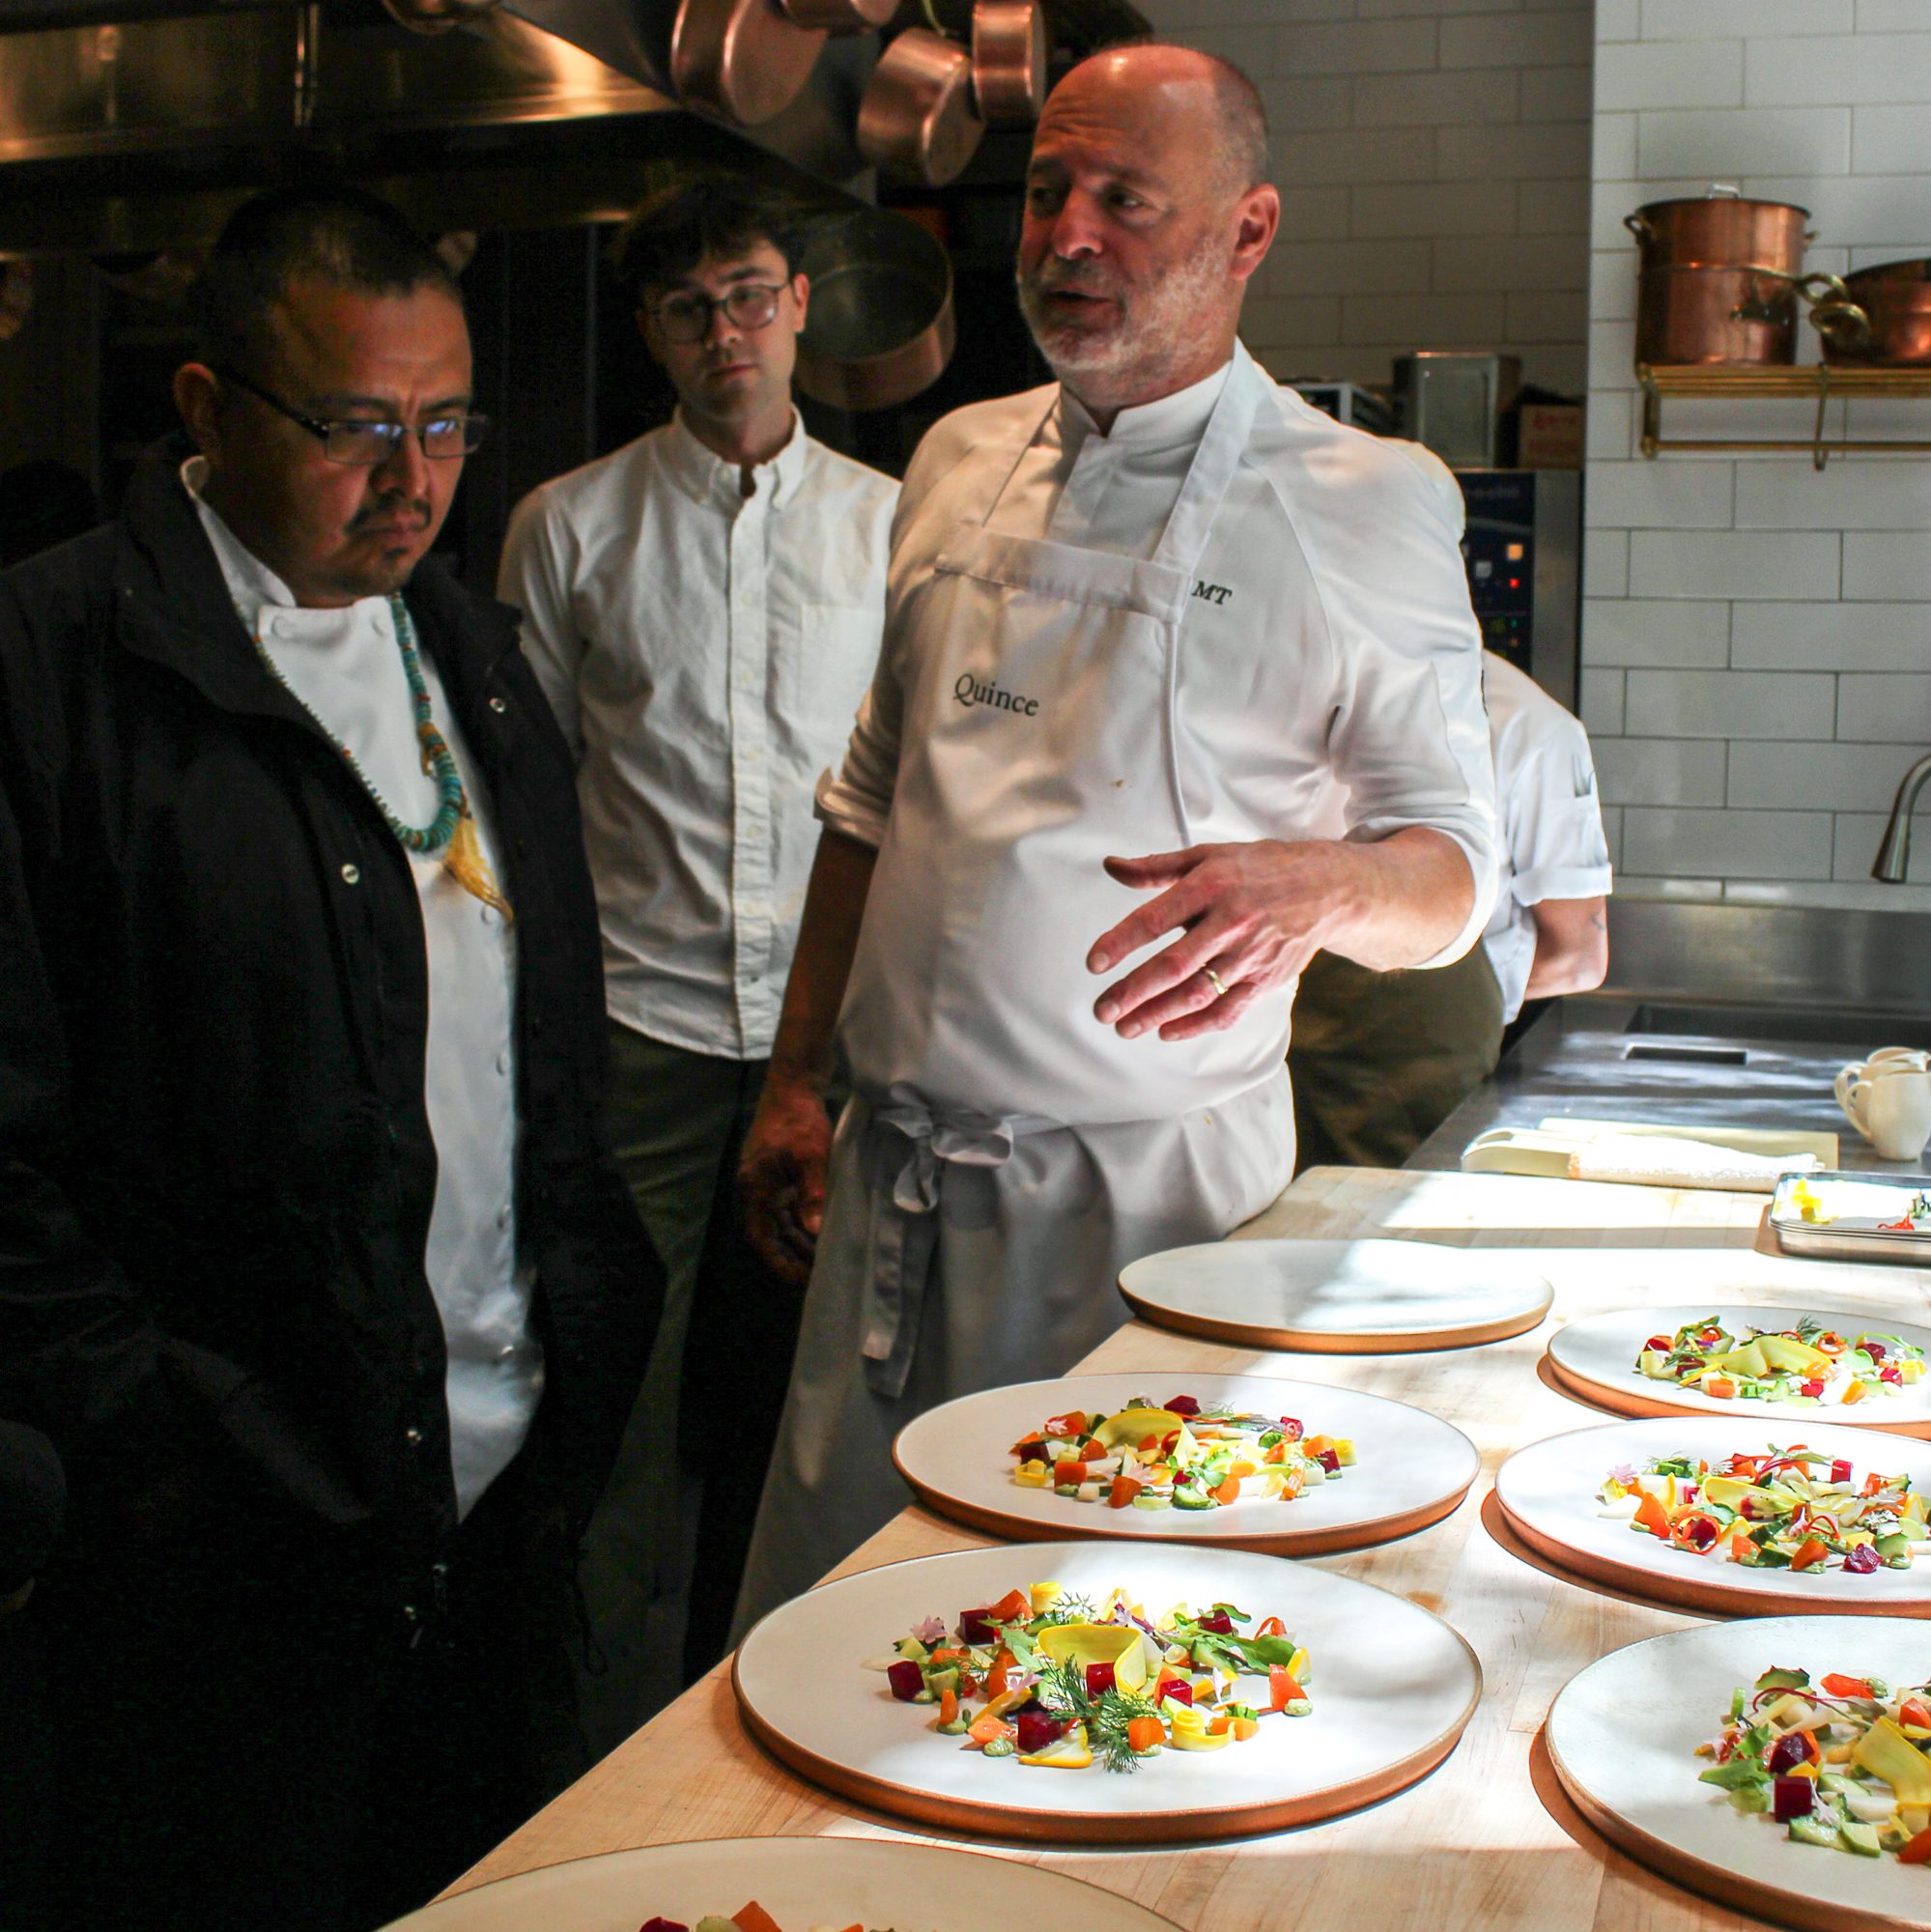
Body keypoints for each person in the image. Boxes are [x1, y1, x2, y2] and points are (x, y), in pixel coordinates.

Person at [729, 43, 1499, 1627]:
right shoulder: (950, 456)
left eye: (1125, 202)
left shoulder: (1362, 498)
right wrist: (797, 1080)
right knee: (837, 1643)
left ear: (1246, 231)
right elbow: (869, 810)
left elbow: (1450, 878)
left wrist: (1324, 886)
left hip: (1145, 1220)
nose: (1066, 237)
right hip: (895, 1193)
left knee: (1095, 1658)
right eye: (1044, 191)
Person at [0, 185, 662, 1932]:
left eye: (446, 423)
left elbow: (531, 1032)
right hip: (223, 1537)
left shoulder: (460, 639)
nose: (413, 477)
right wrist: (155, 1437)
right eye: (356, 425)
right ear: (207, 412)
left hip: (491, 1494)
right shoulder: (51, 665)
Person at [497, 181, 896, 1720]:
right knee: (611, 1404)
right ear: (652, 335)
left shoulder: (891, 523)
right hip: (643, 1035)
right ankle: (591, 1751)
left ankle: (809, 1713)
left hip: (847, 1042)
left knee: (826, 1409)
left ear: (799, 301)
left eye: (745, 295)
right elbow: (524, 798)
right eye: (685, 309)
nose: (723, 333)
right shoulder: (568, 526)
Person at [1288, 648, 1611, 1169]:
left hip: (1412, 1054)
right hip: (1264, 1032)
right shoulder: (1301, 679)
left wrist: (1437, 1010)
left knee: (1368, 1227)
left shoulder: (1530, 727)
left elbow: (1577, 959)